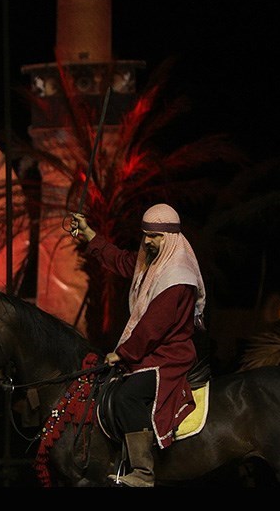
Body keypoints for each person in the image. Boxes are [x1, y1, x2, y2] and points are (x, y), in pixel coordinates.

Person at [70, 204, 206, 488]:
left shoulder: (176, 276)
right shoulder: (156, 262)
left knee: (127, 396)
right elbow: (121, 261)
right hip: (152, 350)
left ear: (168, 238)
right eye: (145, 235)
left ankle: (143, 472)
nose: (147, 241)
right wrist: (89, 234)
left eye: (154, 236)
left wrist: (122, 353)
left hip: (169, 355)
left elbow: (153, 326)